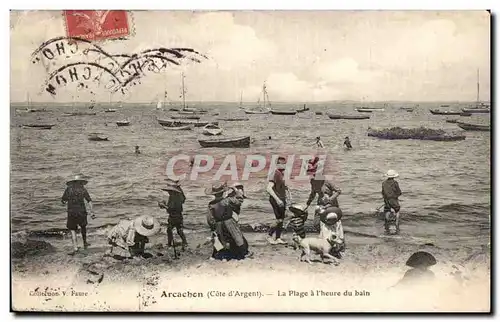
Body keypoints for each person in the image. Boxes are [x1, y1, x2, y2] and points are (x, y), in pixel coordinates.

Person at [206, 183, 250, 260]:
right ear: (223, 192)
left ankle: (218, 255)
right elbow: (239, 200)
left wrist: (213, 228)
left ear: (214, 194)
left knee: (219, 239)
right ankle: (244, 254)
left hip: (218, 223)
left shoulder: (211, 204)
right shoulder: (227, 200)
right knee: (237, 237)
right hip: (229, 222)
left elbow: (209, 218)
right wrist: (235, 190)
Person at [61, 174, 95, 255]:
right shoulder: (83, 189)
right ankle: (85, 243)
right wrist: (92, 212)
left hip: (71, 212)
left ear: (73, 182)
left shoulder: (68, 189)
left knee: (73, 229)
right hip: (82, 212)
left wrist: (65, 202)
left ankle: (75, 247)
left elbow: (63, 200)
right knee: (83, 227)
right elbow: (89, 201)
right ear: (81, 182)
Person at [158, 179, 188, 249]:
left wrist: (164, 206)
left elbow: (170, 209)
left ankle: (169, 244)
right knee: (179, 230)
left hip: (174, 217)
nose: (168, 192)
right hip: (178, 216)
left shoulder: (174, 198)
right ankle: (184, 242)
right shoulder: (178, 197)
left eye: (169, 191)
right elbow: (184, 198)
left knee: (170, 230)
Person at [266, 156, 290, 245]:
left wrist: (285, 188)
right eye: (280, 163)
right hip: (276, 199)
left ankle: (278, 238)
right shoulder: (275, 173)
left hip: (281, 198)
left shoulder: (281, 173)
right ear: (277, 164)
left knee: (282, 219)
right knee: (279, 219)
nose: (283, 165)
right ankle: (269, 236)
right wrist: (278, 200)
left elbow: (279, 185)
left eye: (284, 164)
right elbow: (268, 188)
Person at [382, 169, 402, 233]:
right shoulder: (395, 183)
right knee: (397, 210)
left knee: (387, 210)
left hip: (386, 199)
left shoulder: (384, 183)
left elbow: (383, 192)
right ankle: (396, 223)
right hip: (393, 199)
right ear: (394, 176)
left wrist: (385, 198)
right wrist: (397, 195)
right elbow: (399, 192)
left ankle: (387, 223)